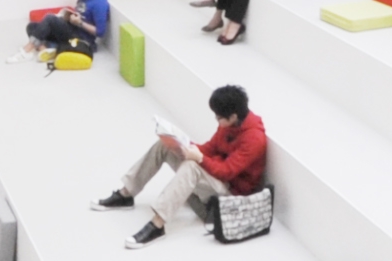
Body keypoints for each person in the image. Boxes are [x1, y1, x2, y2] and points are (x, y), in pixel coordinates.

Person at [92, 84, 267, 250]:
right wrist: (181, 143)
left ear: (234, 116)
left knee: (192, 166)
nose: (216, 120)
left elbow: (227, 172)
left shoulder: (254, 139)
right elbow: (210, 148)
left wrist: (199, 159)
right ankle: (126, 194)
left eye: (219, 117)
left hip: (231, 196)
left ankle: (158, 224)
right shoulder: (228, 124)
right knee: (164, 147)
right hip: (216, 181)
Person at [13, 0, 109, 64]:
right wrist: (68, 17)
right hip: (72, 28)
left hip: (82, 38)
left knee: (49, 18)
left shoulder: (100, 3)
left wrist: (80, 23)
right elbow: (80, 13)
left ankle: (28, 49)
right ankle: (44, 49)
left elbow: (100, 32)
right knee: (31, 26)